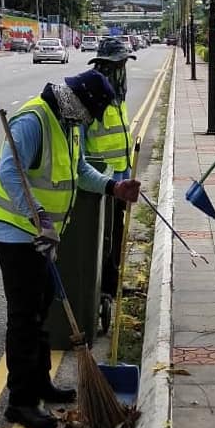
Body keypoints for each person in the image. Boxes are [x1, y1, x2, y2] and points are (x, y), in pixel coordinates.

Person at [0, 70, 141, 428]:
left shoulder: (68, 121)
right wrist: (37, 215)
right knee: (24, 317)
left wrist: (112, 187)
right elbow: (11, 174)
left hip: (43, 233)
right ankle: (20, 402)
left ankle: (41, 384)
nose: (90, 121)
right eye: (90, 113)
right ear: (78, 101)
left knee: (41, 308)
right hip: (15, 230)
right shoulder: (32, 120)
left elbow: (78, 168)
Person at [84, 36, 134, 299]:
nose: (121, 70)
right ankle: (101, 287)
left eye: (123, 64)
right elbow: (79, 144)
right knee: (103, 237)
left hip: (121, 177)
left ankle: (111, 285)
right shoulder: (92, 97)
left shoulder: (118, 96)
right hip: (102, 181)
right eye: (117, 65)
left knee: (116, 233)